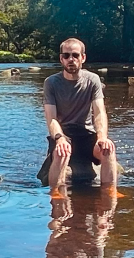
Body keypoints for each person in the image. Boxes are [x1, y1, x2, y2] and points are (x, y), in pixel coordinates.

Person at [38, 37, 118, 195]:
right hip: (64, 133)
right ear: (61, 59)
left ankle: (109, 192)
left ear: (83, 57)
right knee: (62, 152)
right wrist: (59, 138)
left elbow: (99, 112)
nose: (71, 60)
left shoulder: (92, 80)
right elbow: (51, 118)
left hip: (86, 134)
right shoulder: (51, 83)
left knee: (108, 149)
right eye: (66, 56)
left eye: (75, 55)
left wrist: (102, 137)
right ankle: (56, 193)